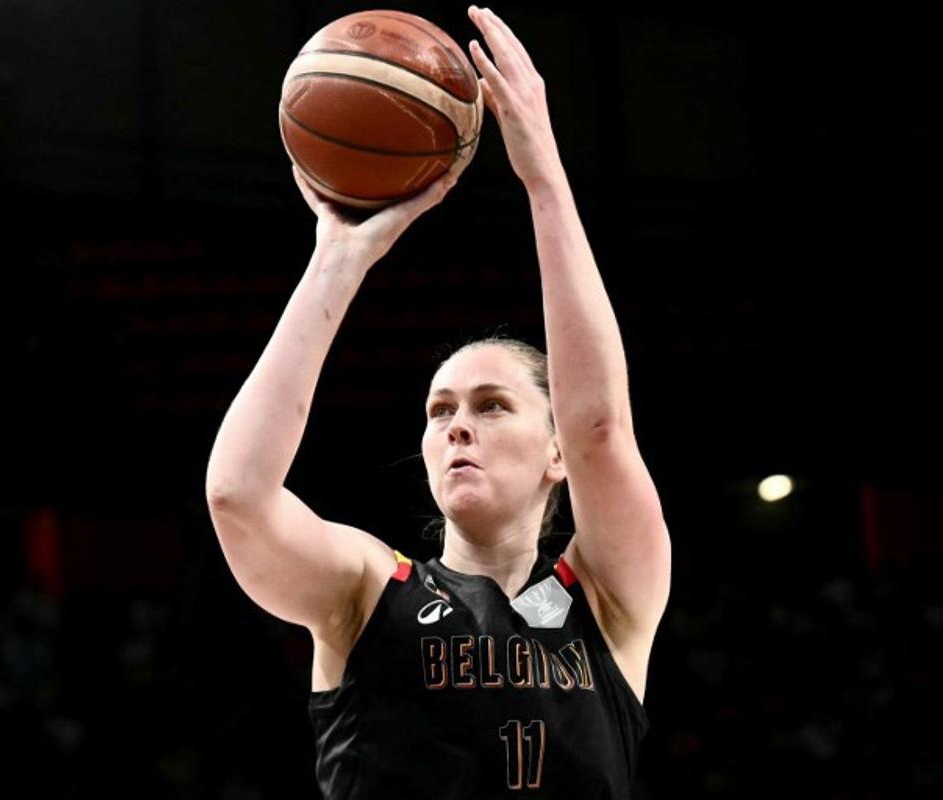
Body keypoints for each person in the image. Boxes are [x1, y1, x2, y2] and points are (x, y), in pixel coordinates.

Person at [205, 6, 671, 798]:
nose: (457, 423)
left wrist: (545, 179)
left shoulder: (611, 601)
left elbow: (599, 426)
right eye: (438, 410)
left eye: (492, 406)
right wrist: (341, 257)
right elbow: (237, 495)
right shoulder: (364, 591)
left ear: (556, 454)